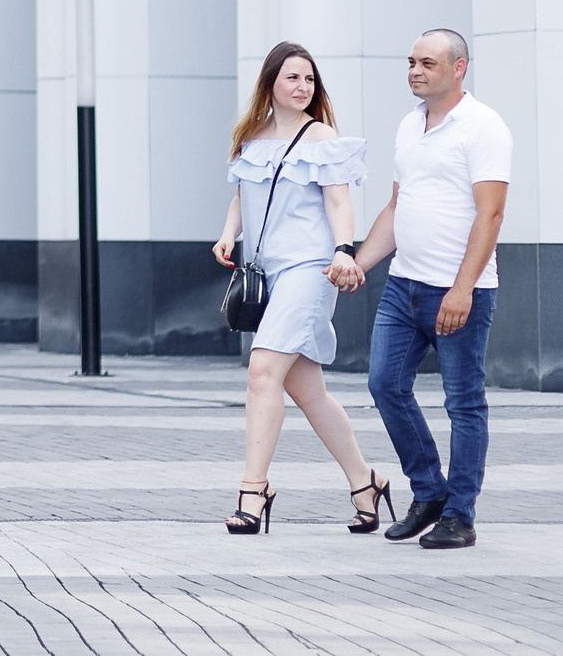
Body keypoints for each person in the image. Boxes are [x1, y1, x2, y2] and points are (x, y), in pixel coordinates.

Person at [213, 42, 389, 536]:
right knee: (308, 391)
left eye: (308, 80)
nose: (302, 87)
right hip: (270, 274)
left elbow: (338, 202)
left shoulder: (322, 137)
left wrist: (343, 250)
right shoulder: (252, 139)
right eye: (292, 78)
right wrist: (229, 234)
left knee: (262, 370)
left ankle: (253, 488)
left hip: (311, 269)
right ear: (271, 83)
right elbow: (243, 197)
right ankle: (365, 481)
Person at [346, 28, 511, 551]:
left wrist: (462, 289)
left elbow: (491, 213)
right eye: (411, 62)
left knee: (463, 404)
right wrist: (360, 263)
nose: (415, 71)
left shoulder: (483, 127)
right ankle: (429, 492)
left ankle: (460, 514)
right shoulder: (408, 126)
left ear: (458, 68)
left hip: (461, 290)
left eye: (428, 63)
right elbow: (398, 208)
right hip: (404, 287)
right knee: (384, 384)